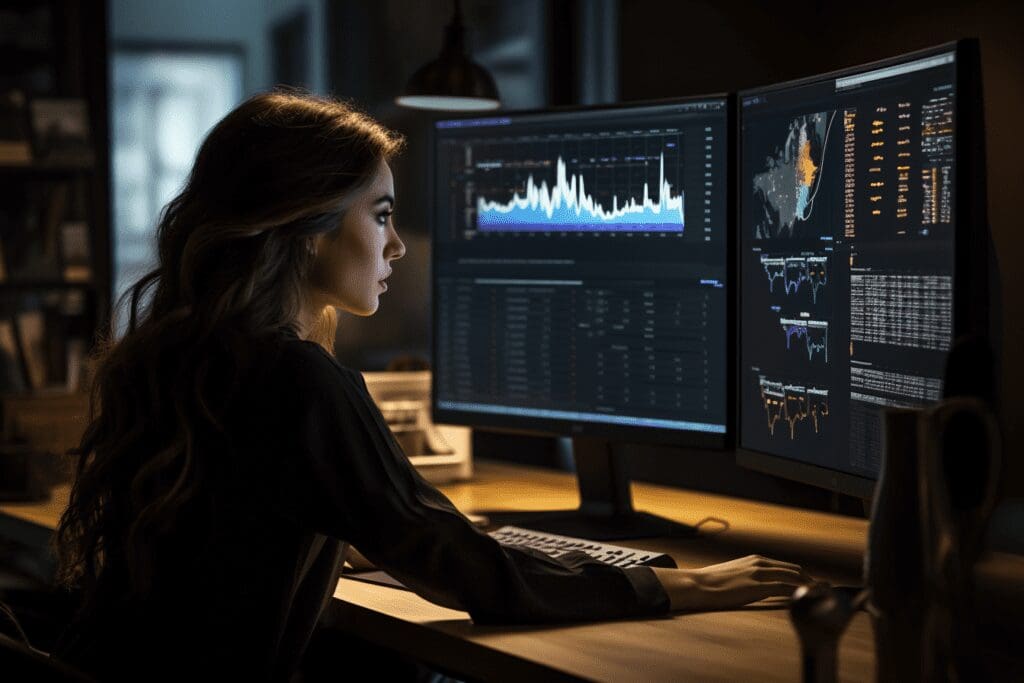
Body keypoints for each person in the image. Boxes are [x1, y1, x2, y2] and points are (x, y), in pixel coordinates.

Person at [51, 92, 810, 682]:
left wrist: (350, 532)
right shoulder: (299, 379)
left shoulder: (184, 359)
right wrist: (675, 589)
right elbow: (466, 571)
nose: (397, 244)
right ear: (307, 223)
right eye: (379, 214)